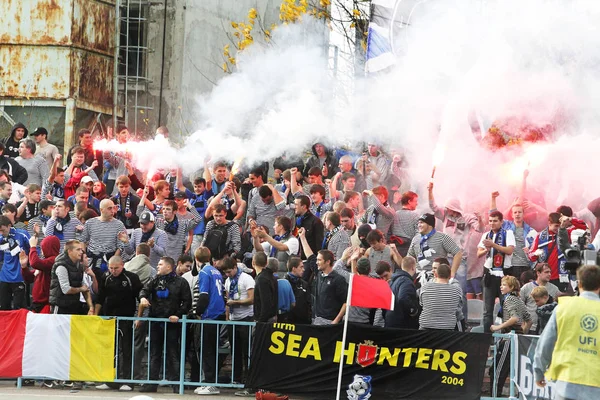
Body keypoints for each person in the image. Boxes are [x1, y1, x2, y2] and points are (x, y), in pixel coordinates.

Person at [534, 265, 600, 400]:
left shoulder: (563, 308)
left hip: (566, 381)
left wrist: (538, 372)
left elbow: (545, 345)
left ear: (579, 284)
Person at [138, 257, 191, 393]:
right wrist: (143, 298)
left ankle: (177, 384)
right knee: (154, 353)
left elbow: (187, 303)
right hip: (156, 322)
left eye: (160, 264)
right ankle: (151, 383)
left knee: (173, 353)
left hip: (172, 323)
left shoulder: (181, 282)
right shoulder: (154, 280)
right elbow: (144, 290)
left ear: (169, 267)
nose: (158, 266)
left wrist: (178, 315)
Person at [94, 256, 142, 391]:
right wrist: (96, 314)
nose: (113, 271)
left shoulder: (131, 278)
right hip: (109, 319)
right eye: (111, 268)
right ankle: (110, 380)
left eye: (116, 268)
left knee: (126, 350)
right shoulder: (106, 277)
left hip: (126, 319)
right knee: (110, 350)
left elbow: (140, 297)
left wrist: (138, 317)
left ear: (122, 265)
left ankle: (127, 381)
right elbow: (100, 297)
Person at [489, 275, 531, 398]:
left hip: (509, 338)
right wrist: (521, 332)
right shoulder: (519, 300)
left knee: (497, 371)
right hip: (515, 339)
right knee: (506, 370)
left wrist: (498, 327)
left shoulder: (509, 299)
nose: (501, 287)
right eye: (501, 284)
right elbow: (529, 320)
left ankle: (494, 396)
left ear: (511, 287)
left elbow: (515, 318)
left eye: (504, 285)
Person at [193, 249, 227, 396]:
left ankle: (209, 383)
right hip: (218, 313)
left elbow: (204, 295)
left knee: (207, 350)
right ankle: (209, 381)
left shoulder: (204, 272)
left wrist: (197, 312)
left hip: (210, 314)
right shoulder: (216, 271)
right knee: (211, 349)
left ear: (196, 259)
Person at [477, 210, 516, 333]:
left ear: (501, 221)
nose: (492, 223)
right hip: (489, 273)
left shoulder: (508, 233)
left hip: (505, 274)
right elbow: (478, 253)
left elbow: (509, 250)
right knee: (487, 311)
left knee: (506, 308)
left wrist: (493, 245)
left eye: (495, 221)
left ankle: (505, 338)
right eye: (490, 221)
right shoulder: (486, 235)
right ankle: (487, 340)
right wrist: (486, 249)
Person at [299, 226, 347, 325]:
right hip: (316, 319)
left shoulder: (338, 279)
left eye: (319, 260)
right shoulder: (319, 273)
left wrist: (336, 321)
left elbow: (346, 303)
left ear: (328, 262)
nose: (317, 262)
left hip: (330, 322)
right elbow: (309, 256)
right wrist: (302, 237)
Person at [222, 257, 254, 385]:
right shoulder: (228, 281)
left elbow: (252, 299)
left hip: (246, 317)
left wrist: (235, 302)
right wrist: (227, 318)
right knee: (235, 350)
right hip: (233, 319)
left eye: (229, 272)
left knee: (246, 351)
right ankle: (236, 378)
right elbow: (227, 300)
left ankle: (248, 379)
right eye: (226, 273)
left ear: (235, 267)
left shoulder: (246, 278)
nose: (227, 275)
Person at [80, 199, 127, 278]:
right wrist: (84, 257)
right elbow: (83, 241)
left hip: (109, 260)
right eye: (109, 208)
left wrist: (112, 262)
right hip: (92, 259)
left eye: (113, 208)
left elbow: (120, 246)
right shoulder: (90, 223)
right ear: (101, 210)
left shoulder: (119, 225)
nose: (112, 211)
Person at [49, 239, 94, 315]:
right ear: (70, 251)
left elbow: (85, 288)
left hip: (73, 306)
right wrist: (81, 289)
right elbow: (66, 289)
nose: (81, 252)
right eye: (78, 249)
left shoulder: (79, 266)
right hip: (60, 306)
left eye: (81, 249)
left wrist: (91, 307)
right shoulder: (61, 265)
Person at [21, 234, 60, 313]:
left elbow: (34, 263)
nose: (42, 251)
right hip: (38, 303)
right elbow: (30, 278)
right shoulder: (45, 262)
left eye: (43, 248)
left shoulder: (54, 260)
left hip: (47, 304)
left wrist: (32, 247)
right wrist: (24, 267)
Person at [419, 261, 463, 330]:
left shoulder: (425, 287)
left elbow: (421, 304)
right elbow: (459, 307)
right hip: (447, 328)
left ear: (436, 275)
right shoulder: (457, 290)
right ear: (449, 276)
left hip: (425, 327)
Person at [377, 256, 419, 329]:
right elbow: (403, 298)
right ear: (413, 268)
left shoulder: (392, 282)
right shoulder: (406, 281)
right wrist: (413, 310)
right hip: (402, 324)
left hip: (390, 322)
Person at [520, 263, 562, 334]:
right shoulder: (526, 287)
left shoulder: (554, 289)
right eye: (546, 272)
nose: (549, 274)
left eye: (550, 272)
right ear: (538, 273)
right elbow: (519, 306)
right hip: (530, 328)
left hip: (546, 329)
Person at [0, 215, 31, 310]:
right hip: (4, 276)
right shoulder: (1, 238)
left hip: (19, 276)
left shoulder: (22, 234)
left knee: (19, 307)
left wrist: (27, 263)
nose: (1, 233)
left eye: (3, 230)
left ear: (9, 225)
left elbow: (34, 250)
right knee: (4, 306)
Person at [293, 194, 324, 259]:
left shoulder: (316, 222)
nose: (294, 207)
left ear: (303, 206)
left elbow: (319, 245)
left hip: (310, 260)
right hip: (298, 259)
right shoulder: (298, 220)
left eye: (296, 205)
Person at [251, 251, 278, 323]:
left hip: (265, 321)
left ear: (253, 263)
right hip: (272, 317)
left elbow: (266, 303)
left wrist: (260, 321)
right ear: (267, 263)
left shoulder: (262, 279)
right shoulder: (272, 277)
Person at [284, 256, 312, 324]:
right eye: (301, 267)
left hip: (303, 324)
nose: (304, 269)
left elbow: (309, 303)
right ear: (294, 268)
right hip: (288, 323)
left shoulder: (305, 284)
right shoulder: (284, 284)